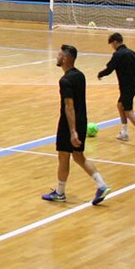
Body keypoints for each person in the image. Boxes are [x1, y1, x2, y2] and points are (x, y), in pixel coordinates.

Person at [42, 44, 112, 205]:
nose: (57, 57)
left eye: (59, 55)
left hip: (69, 123)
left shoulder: (65, 80)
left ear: (65, 59)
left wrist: (72, 131)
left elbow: (69, 106)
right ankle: (101, 184)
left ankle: (60, 193)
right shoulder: (80, 76)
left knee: (63, 155)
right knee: (79, 156)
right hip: (83, 120)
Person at [98, 33, 135, 146]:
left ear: (115, 42)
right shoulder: (132, 53)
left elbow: (109, 69)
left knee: (128, 111)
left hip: (126, 87)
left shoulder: (117, 55)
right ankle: (124, 132)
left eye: (111, 44)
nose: (112, 46)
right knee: (120, 105)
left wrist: (100, 74)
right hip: (131, 86)